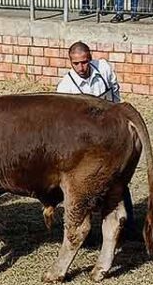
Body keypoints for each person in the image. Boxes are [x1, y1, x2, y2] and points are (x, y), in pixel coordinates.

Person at [56, 41, 137, 237]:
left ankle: (129, 227)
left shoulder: (104, 69)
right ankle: (91, 233)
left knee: (118, 178)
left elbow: (115, 93)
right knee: (88, 187)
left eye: (84, 62)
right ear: (70, 63)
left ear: (90, 59)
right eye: (76, 64)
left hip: (109, 133)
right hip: (85, 142)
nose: (82, 68)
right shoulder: (66, 87)